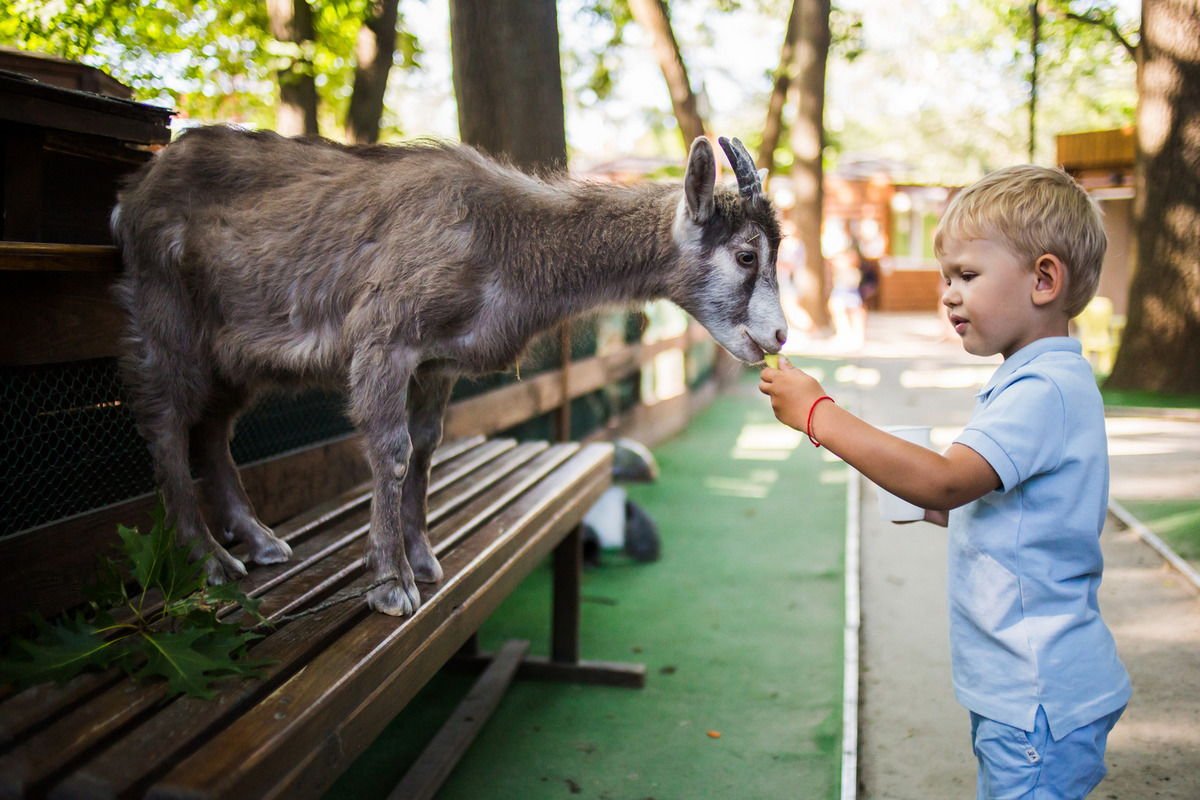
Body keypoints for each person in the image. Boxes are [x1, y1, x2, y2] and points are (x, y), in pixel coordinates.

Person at [760, 165, 1130, 799]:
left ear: (1044, 278)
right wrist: (951, 511)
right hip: (1027, 689)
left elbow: (945, 481)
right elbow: (1013, 506)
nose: (949, 295)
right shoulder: (1038, 380)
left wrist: (818, 414)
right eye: (945, 278)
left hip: (1034, 695)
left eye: (967, 275)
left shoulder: (1041, 389)